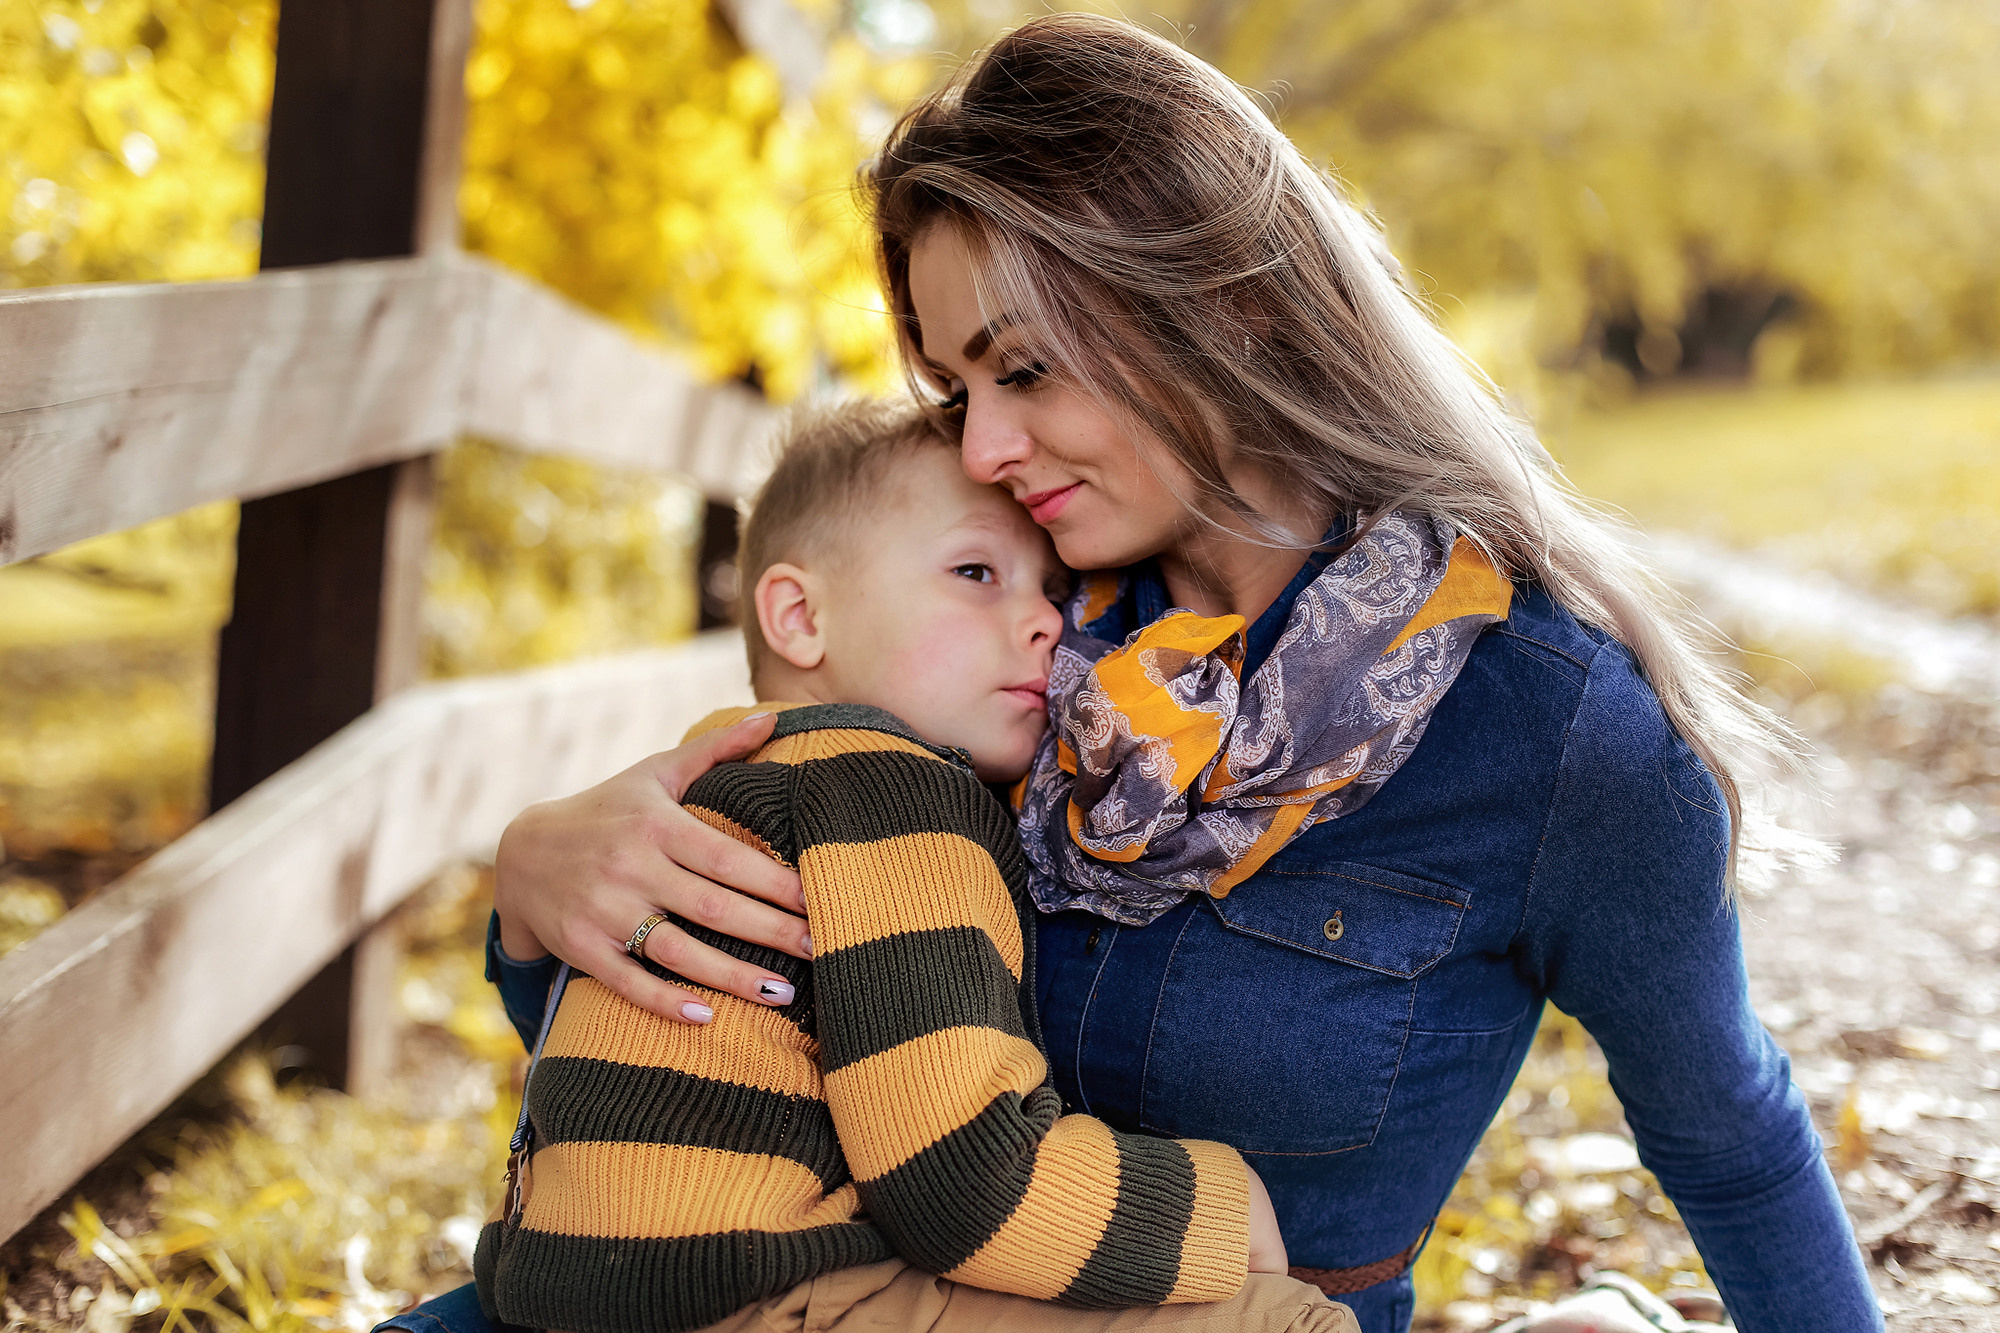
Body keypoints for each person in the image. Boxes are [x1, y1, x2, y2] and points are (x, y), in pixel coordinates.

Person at [488, 16, 1882, 1332]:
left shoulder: (1550, 728)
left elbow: (1731, 1139)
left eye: (1023, 370)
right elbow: (714, 1063)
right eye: (959, 391)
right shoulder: (996, 642)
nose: (979, 450)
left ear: (1227, 307)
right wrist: (543, 895)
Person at [473, 400, 1352, 1333]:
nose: (1044, 623)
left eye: (1053, 591)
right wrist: (1218, 1206)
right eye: (976, 572)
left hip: (573, 1293)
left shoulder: (716, 781)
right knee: (1285, 1323)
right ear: (799, 616)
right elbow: (961, 1180)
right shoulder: (886, 784)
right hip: (764, 1295)